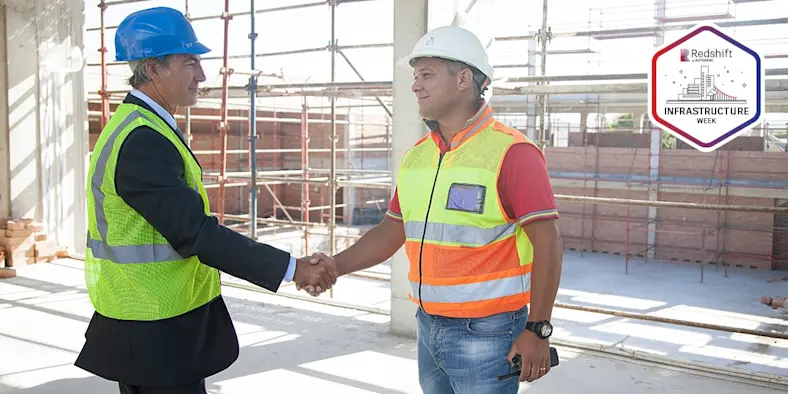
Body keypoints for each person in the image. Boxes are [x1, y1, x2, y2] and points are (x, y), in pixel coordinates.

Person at [75, 7, 337, 394]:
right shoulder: (143, 139)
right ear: (152, 69)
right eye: (190, 62)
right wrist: (292, 268)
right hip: (155, 324)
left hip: (147, 316)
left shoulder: (142, 125)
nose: (201, 75)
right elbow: (195, 233)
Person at [300, 26, 564, 393]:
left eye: (426, 74)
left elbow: (548, 242)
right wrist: (334, 267)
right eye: (415, 76)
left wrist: (538, 329)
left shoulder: (513, 154)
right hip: (428, 325)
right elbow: (392, 229)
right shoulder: (417, 157)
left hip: (489, 332)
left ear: (464, 78)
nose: (415, 86)